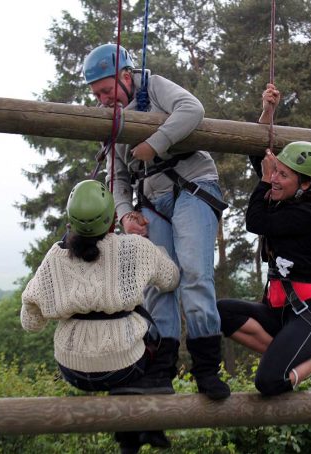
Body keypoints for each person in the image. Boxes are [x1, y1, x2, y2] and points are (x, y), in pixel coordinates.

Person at [81, 43, 230, 400]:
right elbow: (116, 177)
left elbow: (192, 108)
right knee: (159, 281)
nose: (103, 99)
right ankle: (160, 370)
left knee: (194, 273)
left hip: (192, 184)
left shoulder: (154, 87)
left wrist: (156, 142)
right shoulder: (111, 122)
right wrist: (125, 214)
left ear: (126, 76)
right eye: (97, 94)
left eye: (106, 90)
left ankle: (207, 369)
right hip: (152, 197)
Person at [21, 179, 180, 453]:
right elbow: (171, 279)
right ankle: (144, 425)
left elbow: (30, 323)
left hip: (73, 370)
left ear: (71, 222)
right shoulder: (134, 248)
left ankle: (134, 435)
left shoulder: (55, 258)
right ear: (112, 220)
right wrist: (156, 253)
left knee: (134, 352)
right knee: (158, 345)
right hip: (125, 367)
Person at [216, 84, 311, 396]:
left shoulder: (309, 214)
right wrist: (268, 111)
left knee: (269, 382)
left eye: (282, 175)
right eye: (274, 171)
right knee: (220, 312)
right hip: (279, 310)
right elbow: (256, 148)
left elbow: (255, 221)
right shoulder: (284, 196)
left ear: (304, 183)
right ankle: (292, 353)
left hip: (308, 312)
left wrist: (264, 181)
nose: (274, 178)